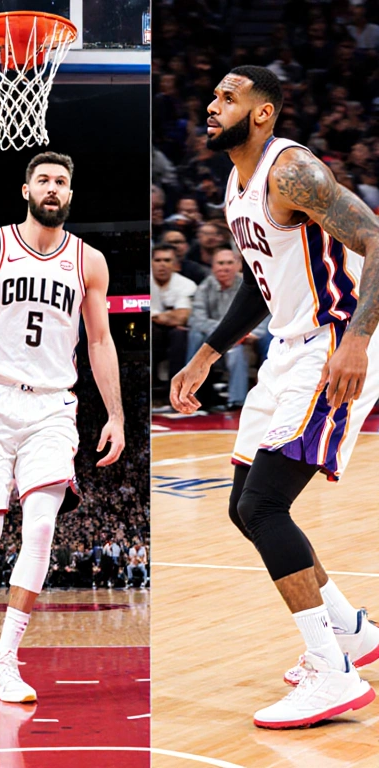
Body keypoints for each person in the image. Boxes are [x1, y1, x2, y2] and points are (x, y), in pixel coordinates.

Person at [171, 65, 379, 729]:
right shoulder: (236, 187)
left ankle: (331, 671)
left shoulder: (294, 171)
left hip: (332, 344)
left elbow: (377, 239)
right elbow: (263, 283)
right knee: (241, 504)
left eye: (227, 96)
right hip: (289, 350)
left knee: (266, 506)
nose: (211, 105)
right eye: (211, 96)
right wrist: (206, 353)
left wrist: (356, 342)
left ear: (263, 113)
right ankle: (350, 630)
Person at [0, 151, 126, 703]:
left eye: (61, 182)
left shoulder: (89, 262)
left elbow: (98, 341)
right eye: (43, 180)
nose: (52, 188)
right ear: (25, 190)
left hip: (51, 408)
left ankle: (4, 661)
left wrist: (115, 413)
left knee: (41, 527)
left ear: (71, 194)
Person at [188, 247, 250, 409]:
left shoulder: (248, 285)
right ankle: (191, 396)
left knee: (238, 351)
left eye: (230, 263)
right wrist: (229, 332)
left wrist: (242, 334)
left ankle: (237, 402)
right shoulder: (204, 288)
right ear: (213, 267)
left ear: (238, 265)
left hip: (244, 337)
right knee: (194, 335)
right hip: (216, 337)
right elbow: (198, 321)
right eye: (220, 263)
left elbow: (263, 316)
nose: (225, 267)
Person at [152, 244, 196, 393]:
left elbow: (182, 317)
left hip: (174, 333)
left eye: (167, 260)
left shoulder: (186, 285)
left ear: (176, 265)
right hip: (152, 332)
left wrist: (155, 316)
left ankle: (174, 389)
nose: (162, 264)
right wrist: (170, 315)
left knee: (180, 334)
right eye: (158, 260)